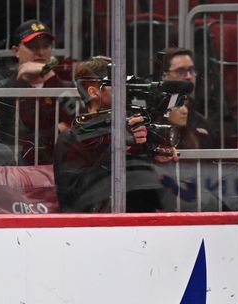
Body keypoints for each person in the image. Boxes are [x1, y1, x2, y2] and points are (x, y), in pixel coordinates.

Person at [53, 56, 175, 212]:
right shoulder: (72, 138)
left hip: (139, 226)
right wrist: (117, 148)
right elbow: (74, 196)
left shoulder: (136, 129)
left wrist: (160, 162)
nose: (126, 90)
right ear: (93, 91)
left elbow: (159, 197)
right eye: (117, 85)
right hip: (92, 229)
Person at [0, 20, 74, 165]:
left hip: (61, 163)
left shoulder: (65, 86)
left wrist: (51, 78)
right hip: (19, 165)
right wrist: (57, 131)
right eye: (32, 47)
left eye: (46, 46)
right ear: (16, 51)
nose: (40, 52)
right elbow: (10, 138)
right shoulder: (1, 88)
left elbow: (77, 121)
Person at [157, 47, 215, 150]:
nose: (188, 76)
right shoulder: (151, 118)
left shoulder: (201, 122)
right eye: (180, 71)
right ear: (164, 76)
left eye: (191, 70)